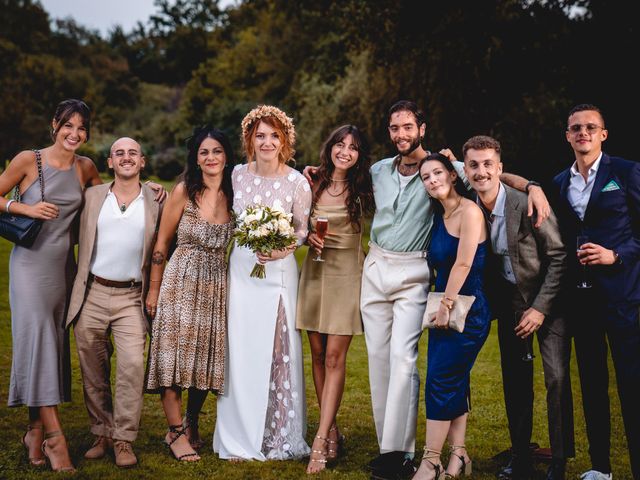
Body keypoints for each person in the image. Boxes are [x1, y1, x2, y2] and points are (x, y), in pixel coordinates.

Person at [304, 100, 551, 480]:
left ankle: (403, 453)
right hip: (376, 268)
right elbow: (341, 176)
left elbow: (493, 179)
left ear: (421, 128)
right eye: (394, 128)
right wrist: (314, 172)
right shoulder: (378, 170)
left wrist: (532, 186)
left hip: (413, 269)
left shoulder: (445, 169)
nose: (400, 134)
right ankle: (388, 448)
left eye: (407, 127)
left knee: (404, 361)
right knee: (378, 360)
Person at [0, 99, 103, 472]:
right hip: (30, 266)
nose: (74, 134)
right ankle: (56, 440)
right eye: (68, 126)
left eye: (81, 128)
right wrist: (23, 208)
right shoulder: (29, 160)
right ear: (54, 125)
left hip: (65, 269)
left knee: (48, 345)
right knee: (40, 337)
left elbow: (110, 202)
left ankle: (33, 431)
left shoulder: (86, 167)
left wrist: (151, 190)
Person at [463, 135, 573, 480]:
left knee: (555, 378)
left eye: (487, 164)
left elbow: (558, 256)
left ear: (500, 168)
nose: (481, 172)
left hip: (548, 301)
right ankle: (521, 456)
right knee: (515, 379)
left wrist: (540, 308)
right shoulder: (469, 205)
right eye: (473, 165)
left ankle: (558, 461)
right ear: (465, 170)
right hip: (509, 302)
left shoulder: (526, 202)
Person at [213, 105, 312, 461]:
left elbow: (302, 229)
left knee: (278, 349)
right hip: (242, 270)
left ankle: (278, 434)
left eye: (274, 135)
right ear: (249, 140)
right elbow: (205, 189)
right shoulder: (237, 175)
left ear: (284, 140)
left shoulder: (297, 181)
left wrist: (288, 245)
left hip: (280, 273)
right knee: (240, 348)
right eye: (260, 135)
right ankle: (239, 434)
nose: (267, 142)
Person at [551, 104, 640, 480]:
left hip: (624, 298)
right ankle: (600, 468)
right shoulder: (558, 183)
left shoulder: (625, 171)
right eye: (576, 128)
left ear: (603, 134)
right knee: (591, 384)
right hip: (581, 300)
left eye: (590, 127)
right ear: (568, 136)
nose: (582, 132)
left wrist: (615, 254)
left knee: (631, 386)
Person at [65, 137, 163, 468]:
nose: (126, 157)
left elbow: (164, 249)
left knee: (133, 366)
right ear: (109, 163)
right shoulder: (92, 196)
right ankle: (102, 432)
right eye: (119, 153)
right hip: (92, 292)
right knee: (93, 366)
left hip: (132, 296)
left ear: (142, 161)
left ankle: (123, 438)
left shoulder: (155, 200)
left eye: (132, 152)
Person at [145, 126, 235, 462]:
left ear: (226, 156)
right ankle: (175, 432)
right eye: (204, 152)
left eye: (216, 151)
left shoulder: (235, 193)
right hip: (180, 279)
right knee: (173, 355)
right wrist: (153, 290)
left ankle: (192, 421)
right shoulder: (184, 190)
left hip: (215, 284)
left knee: (203, 359)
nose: (211, 158)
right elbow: (161, 244)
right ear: (195, 159)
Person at [296, 125, 374, 473]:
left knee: (332, 357)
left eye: (353, 147)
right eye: (340, 144)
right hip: (314, 272)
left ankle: (320, 438)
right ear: (330, 147)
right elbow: (295, 224)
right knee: (315, 354)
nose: (345, 151)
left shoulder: (365, 187)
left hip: (347, 275)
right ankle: (333, 430)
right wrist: (306, 234)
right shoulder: (311, 183)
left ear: (360, 155)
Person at [412, 152, 489, 480]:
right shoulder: (438, 215)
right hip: (446, 307)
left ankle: (431, 462)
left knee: (440, 382)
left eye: (438, 173)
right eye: (426, 177)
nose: (432, 180)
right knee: (453, 381)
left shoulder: (469, 212)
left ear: (453, 175)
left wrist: (445, 306)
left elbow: (463, 264)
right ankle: (458, 456)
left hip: (466, 311)